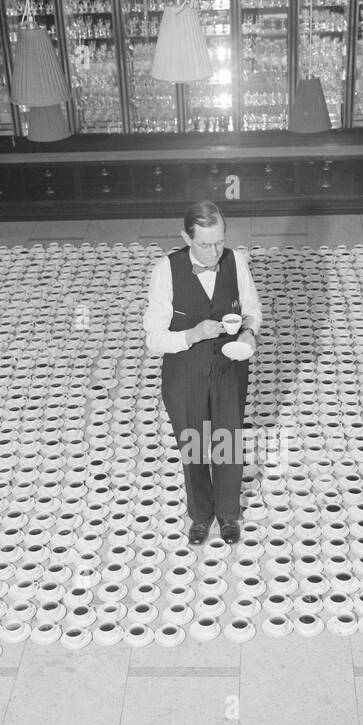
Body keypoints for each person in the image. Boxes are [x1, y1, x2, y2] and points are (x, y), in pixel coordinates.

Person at [143, 201, 262, 546]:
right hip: (185, 372)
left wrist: (248, 333)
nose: (214, 252)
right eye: (205, 244)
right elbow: (153, 338)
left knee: (228, 442)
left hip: (229, 367)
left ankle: (227, 513)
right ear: (186, 237)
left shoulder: (235, 261)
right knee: (193, 446)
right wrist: (192, 334)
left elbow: (253, 309)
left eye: (219, 242)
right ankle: (200, 514)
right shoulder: (166, 270)